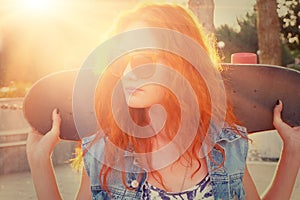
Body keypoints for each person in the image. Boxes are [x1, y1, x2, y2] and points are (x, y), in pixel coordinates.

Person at [26, 3, 300, 200]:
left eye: (143, 59)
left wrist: (293, 152)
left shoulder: (225, 144)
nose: (128, 73)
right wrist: (39, 163)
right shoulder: (107, 149)